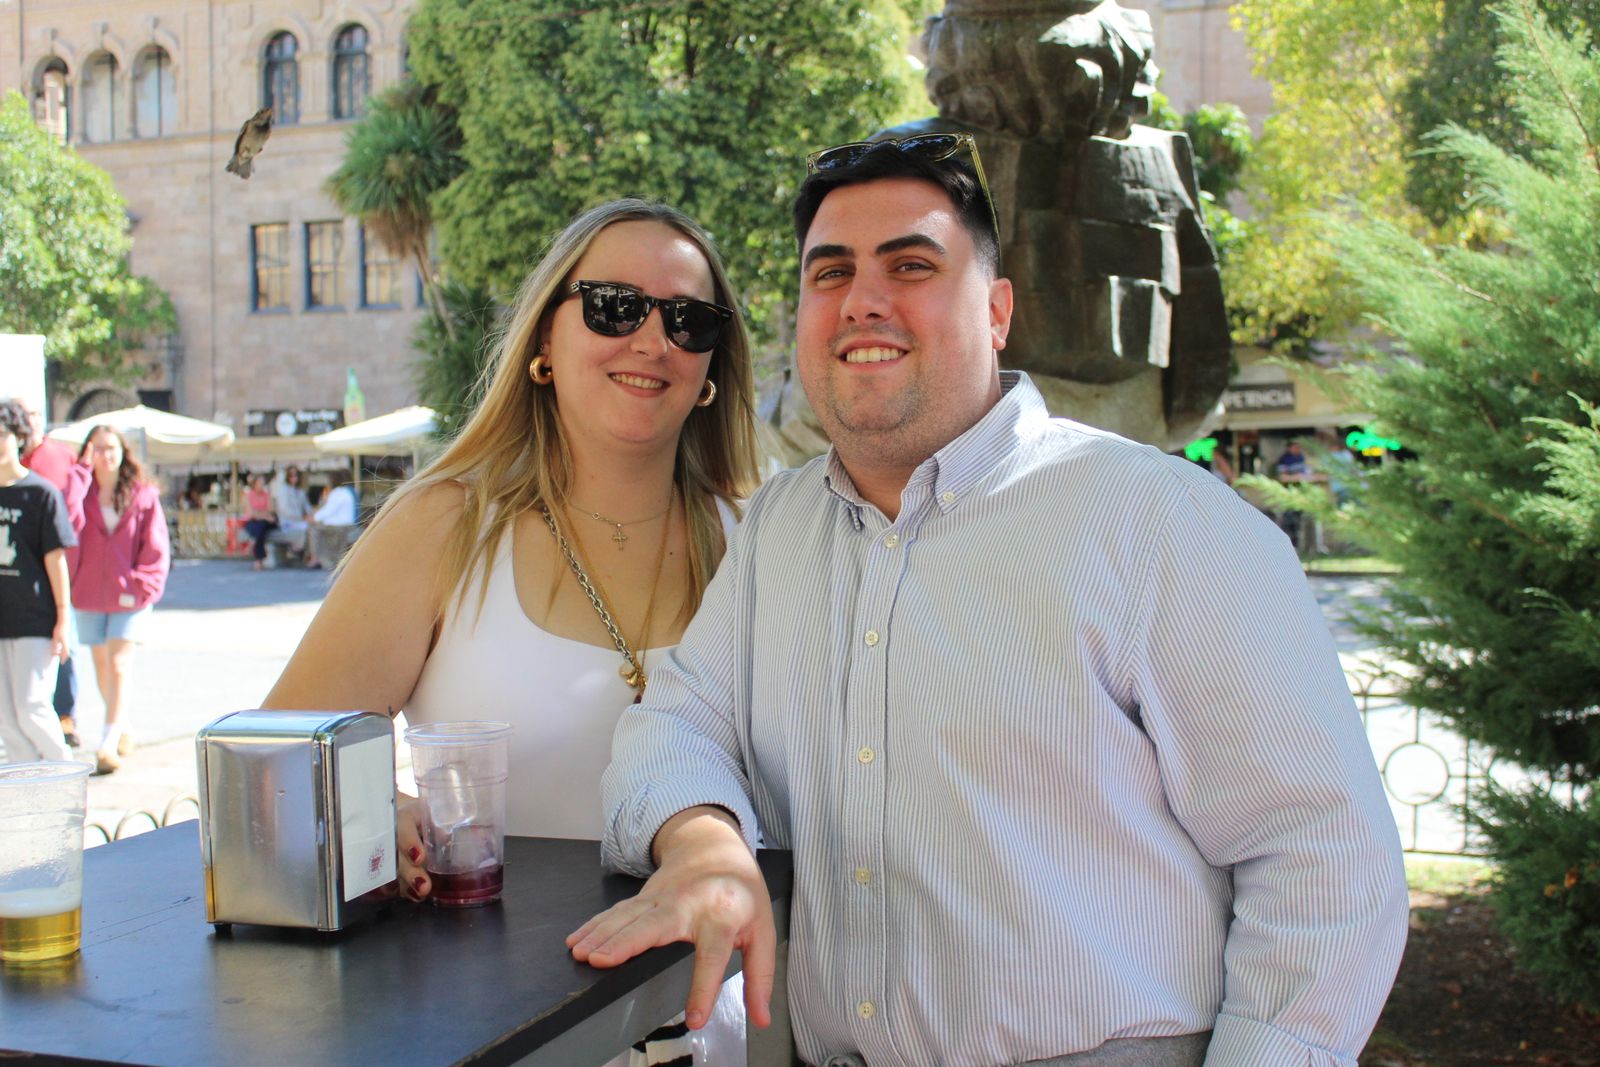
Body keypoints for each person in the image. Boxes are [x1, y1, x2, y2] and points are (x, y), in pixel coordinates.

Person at [569, 139, 1409, 1066]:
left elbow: (1322, 853)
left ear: (998, 309)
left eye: (913, 265)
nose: (863, 299)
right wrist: (703, 844)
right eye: (831, 271)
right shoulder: (776, 530)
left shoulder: (1159, 523)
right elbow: (675, 725)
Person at [262, 199, 761, 1065]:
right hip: (497, 1030)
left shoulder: (757, 537)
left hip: (713, 1036)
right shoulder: (446, 523)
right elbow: (275, 760)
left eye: (688, 319)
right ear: (543, 340)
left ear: (712, 364)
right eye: (614, 306)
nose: (652, 340)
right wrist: (378, 801)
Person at [65, 426, 171, 775]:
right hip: (89, 592)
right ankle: (122, 725)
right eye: (96, 449)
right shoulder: (80, 492)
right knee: (99, 665)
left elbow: (156, 546)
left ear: (123, 452)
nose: (104, 455)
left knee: (118, 664)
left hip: (130, 593)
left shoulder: (142, 494)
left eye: (110, 448)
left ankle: (108, 740)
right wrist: (79, 477)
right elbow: (66, 524)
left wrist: (142, 584)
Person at [0, 399, 75, 764]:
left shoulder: (41, 493)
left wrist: (63, 618)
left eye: (2, 435)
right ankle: (27, 792)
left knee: (32, 705)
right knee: (5, 718)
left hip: (35, 617)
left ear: (18, 437)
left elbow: (55, 559)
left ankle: (64, 775)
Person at [306, 469, 358, 569]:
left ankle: (314, 558)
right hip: (349, 525)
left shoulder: (338, 492)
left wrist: (314, 518)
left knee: (313, 529)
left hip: (339, 526)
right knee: (318, 526)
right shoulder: (350, 491)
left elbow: (328, 510)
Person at [272, 464, 312, 565]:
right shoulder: (283, 491)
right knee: (308, 528)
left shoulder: (300, 491)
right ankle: (301, 553)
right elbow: (285, 511)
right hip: (288, 522)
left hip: (300, 521)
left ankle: (309, 556)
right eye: (291, 475)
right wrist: (302, 518)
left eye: (296, 475)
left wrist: (310, 516)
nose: (294, 478)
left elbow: (307, 507)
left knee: (314, 527)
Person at [242, 473, 277, 571]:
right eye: (260, 482)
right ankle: (258, 558)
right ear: (254, 484)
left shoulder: (266, 495)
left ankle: (254, 545)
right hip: (253, 522)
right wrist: (263, 515)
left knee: (260, 527)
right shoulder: (248, 496)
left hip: (265, 523)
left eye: (263, 482)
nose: (262, 484)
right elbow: (250, 513)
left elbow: (271, 510)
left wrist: (259, 513)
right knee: (258, 527)